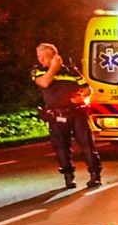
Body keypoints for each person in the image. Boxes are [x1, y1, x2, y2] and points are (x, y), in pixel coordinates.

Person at [32, 43, 101, 189]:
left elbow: (88, 89)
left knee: (87, 144)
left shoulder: (71, 70)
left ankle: (95, 175)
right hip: (56, 115)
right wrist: (54, 67)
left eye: (44, 57)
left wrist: (82, 96)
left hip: (76, 113)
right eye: (39, 57)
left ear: (54, 56)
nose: (41, 60)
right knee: (61, 148)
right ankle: (68, 176)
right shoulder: (39, 71)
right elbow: (44, 83)